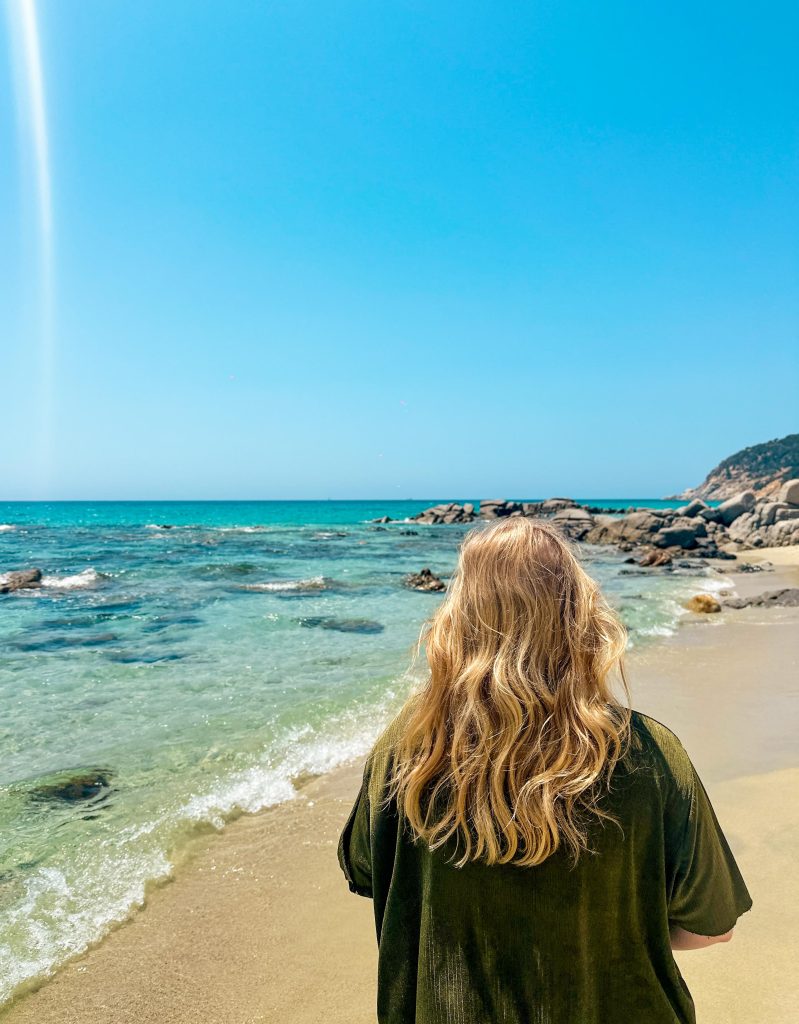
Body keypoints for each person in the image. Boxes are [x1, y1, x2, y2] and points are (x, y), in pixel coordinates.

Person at [338, 516, 752, 1023]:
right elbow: (713, 927)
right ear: (580, 614)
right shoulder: (651, 753)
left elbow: (367, 873)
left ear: (455, 619)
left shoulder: (407, 750)